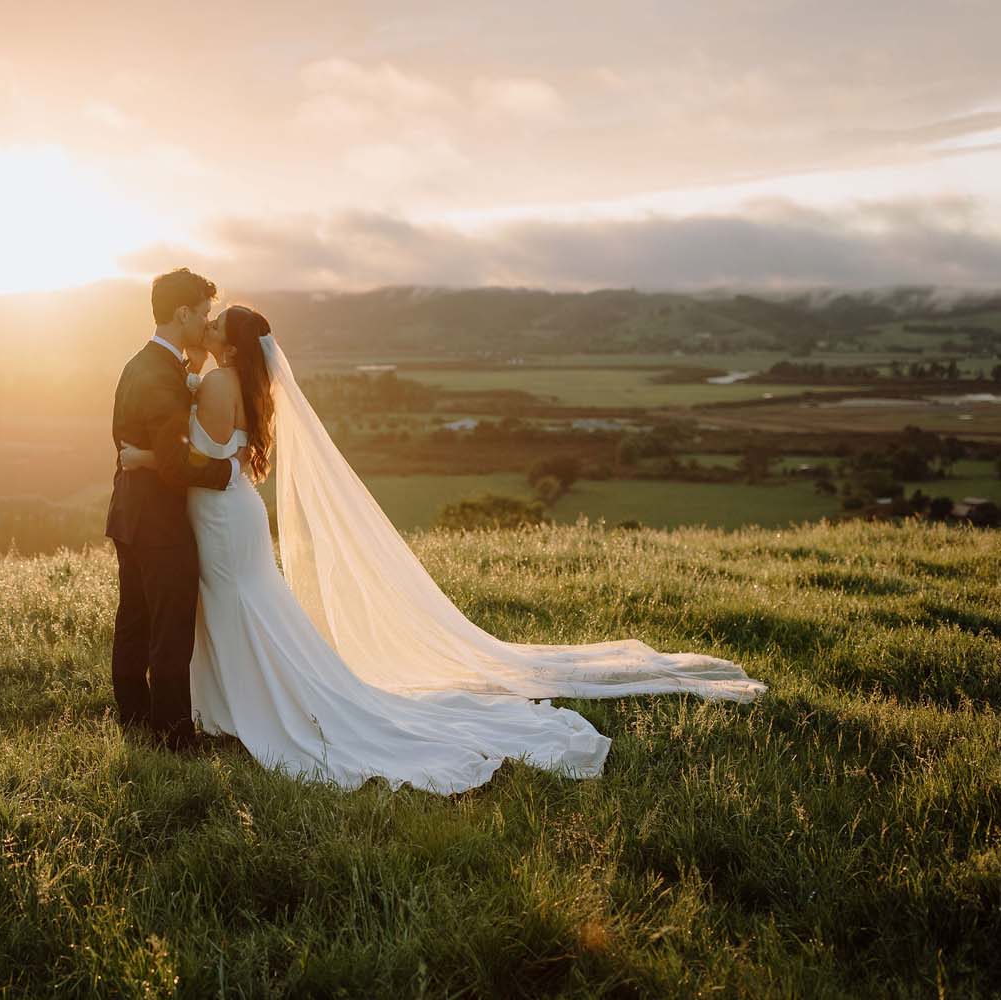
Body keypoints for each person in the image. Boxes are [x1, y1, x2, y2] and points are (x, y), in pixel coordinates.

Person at [118, 304, 766, 793]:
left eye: (215, 324)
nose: (207, 328)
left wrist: (145, 456)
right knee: (247, 605)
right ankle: (240, 704)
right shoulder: (240, 382)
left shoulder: (216, 385)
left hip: (221, 514)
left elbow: (191, 461)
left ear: (230, 343)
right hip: (233, 513)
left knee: (238, 604)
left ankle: (253, 708)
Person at [104, 269, 248, 751]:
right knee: (170, 628)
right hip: (159, 523)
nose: (207, 321)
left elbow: (130, 437)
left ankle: (134, 719)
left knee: (136, 619)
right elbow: (176, 462)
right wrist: (229, 470)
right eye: (204, 313)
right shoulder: (161, 376)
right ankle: (174, 737)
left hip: (129, 512)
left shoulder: (139, 364)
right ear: (182, 313)